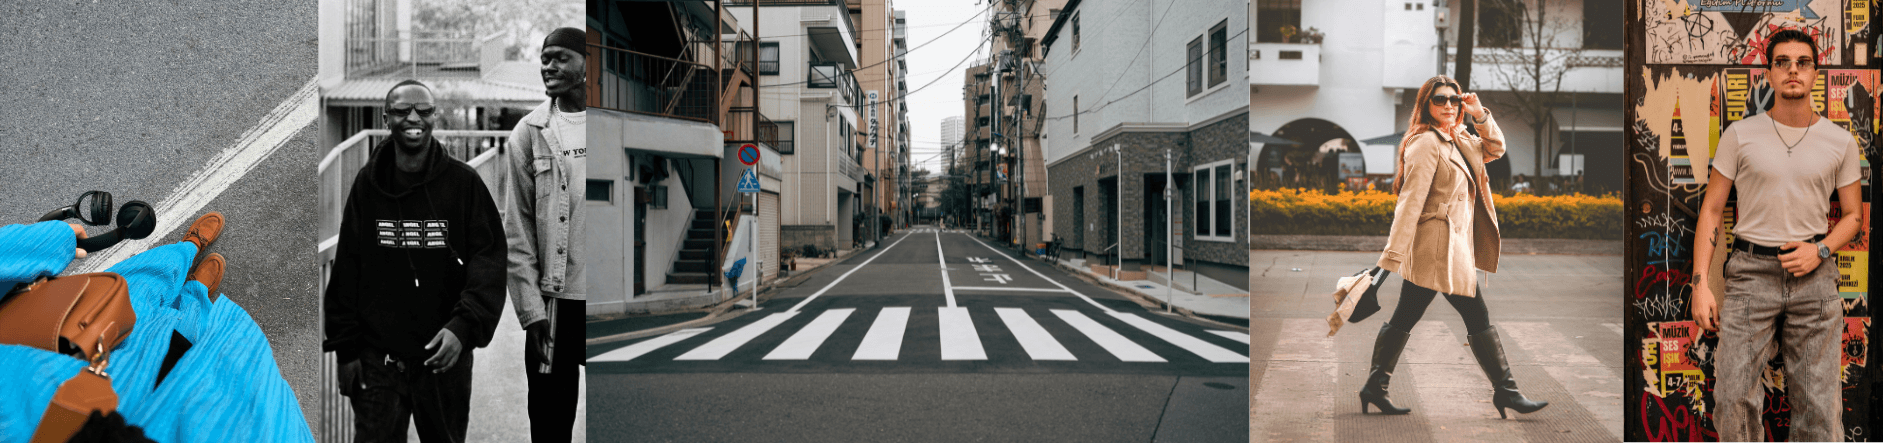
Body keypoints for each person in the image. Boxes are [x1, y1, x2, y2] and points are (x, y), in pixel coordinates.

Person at [1, 212, 314, 442]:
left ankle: (187, 248)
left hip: (68, 374)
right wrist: (60, 239)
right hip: (179, 410)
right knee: (190, 335)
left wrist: (53, 240)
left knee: (138, 287)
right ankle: (196, 291)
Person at [1689, 29, 1859, 442]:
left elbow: (1853, 217)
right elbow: (1712, 209)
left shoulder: (1840, 142)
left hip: (1814, 279)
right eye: (1782, 62)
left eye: (1802, 62)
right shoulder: (1740, 135)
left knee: (1819, 409)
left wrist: (1819, 250)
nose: (1792, 70)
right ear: (1768, 73)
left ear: (1815, 72)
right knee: (1731, 398)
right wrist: (1700, 284)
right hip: (1751, 275)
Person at [324, 79, 508, 443]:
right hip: (378, 360)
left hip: (444, 359)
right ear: (386, 117)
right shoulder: (367, 185)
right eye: (403, 110)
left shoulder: (463, 184)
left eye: (423, 111)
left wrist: (463, 327)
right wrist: (345, 350)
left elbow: (488, 262)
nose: (414, 118)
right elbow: (347, 267)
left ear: (434, 117)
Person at [1360, 75, 1549, 418]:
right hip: (1437, 246)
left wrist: (1479, 114)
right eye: (1439, 99)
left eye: (1453, 99)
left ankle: (1375, 386)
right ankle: (1506, 392)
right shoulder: (1426, 143)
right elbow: (1409, 202)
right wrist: (1391, 256)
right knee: (1476, 314)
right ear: (1426, 106)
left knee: (1406, 315)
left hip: (1453, 245)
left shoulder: (1460, 136)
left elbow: (1496, 149)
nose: (1448, 105)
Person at [501, 27, 587, 443]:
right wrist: (531, 313)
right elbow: (517, 234)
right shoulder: (529, 133)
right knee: (550, 427)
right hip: (557, 304)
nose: (548, 66)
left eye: (560, 57)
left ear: (589, 65)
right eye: (545, 58)